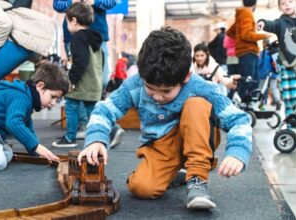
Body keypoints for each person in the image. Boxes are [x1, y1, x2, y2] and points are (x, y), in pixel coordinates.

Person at [77, 27, 252, 210]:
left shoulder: (202, 88)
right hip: (160, 145)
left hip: (198, 134)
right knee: (141, 188)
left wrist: (237, 153)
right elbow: (104, 110)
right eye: (150, 88)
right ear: (141, 74)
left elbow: (239, 120)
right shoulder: (134, 84)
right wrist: (96, 139)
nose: (157, 97)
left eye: (166, 91)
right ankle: (178, 173)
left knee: (196, 105)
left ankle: (197, 180)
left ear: (186, 77)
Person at [52, 2, 104, 148]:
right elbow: (102, 61)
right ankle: (106, 132)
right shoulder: (95, 38)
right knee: (92, 111)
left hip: (80, 82)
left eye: (67, 21)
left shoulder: (78, 38)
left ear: (73, 21)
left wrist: (72, 79)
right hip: (93, 82)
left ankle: (70, 137)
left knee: (71, 106)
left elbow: (80, 61)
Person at [257, 0, 296, 115]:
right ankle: (291, 122)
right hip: (287, 66)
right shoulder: (280, 23)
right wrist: (262, 23)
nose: (287, 4)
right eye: (283, 3)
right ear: (280, 7)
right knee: (290, 97)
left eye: (290, 1)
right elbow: (271, 24)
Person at [227, 0, 270, 100]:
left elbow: (230, 32)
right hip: (248, 51)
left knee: (250, 79)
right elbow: (246, 35)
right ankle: (240, 101)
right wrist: (264, 35)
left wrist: (240, 39)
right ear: (255, 4)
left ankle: (244, 102)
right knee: (250, 80)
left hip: (244, 52)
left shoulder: (240, 15)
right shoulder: (247, 13)